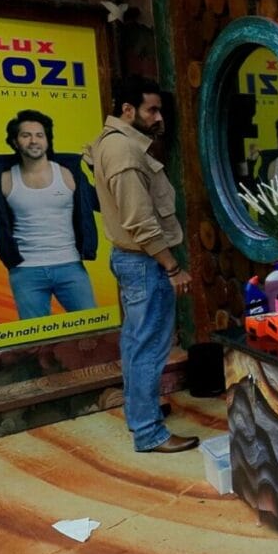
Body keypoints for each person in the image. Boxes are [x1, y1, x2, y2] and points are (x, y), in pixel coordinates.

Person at [85, 75, 198, 454]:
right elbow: (139, 221)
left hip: (133, 260)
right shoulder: (124, 150)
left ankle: (142, 414)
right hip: (145, 262)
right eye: (151, 110)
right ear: (127, 110)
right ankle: (149, 433)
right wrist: (172, 268)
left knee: (136, 343)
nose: (159, 117)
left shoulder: (113, 142)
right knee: (148, 346)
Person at [0, 110, 99, 319]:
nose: (34, 141)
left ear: (47, 140)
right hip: (25, 271)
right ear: (15, 142)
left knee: (93, 328)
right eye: (26, 135)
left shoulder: (69, 174)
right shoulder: (3, 180)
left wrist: (96, 169)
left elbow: (103, 204)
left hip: (70, 266)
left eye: (39, 135)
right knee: (35, 337)